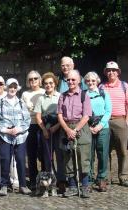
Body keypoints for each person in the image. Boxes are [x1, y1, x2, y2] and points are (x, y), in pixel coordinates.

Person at [0, 78, 31, 196]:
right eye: (10, 87)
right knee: (5, 160)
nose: (12, 89)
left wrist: (18, 129)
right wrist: (7, 130)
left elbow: (27, 120)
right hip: (5, 136)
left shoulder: (21, 103)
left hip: (20, 137)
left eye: (14, 87)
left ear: (17, 88)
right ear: (6, 88)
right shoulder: (0, 103)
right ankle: (4, 185)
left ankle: (23, 185)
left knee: (20, 159)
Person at [57, 70, 92, 198]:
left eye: (73, 80)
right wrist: (67, 130)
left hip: (81, 128)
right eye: (68, 80)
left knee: (83, 156)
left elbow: (87, 115)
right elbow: (60, 115)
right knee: (68, 157)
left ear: (78, 81)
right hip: (66, 127)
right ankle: (71, 186)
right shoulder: (62, 96)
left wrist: (75, 130)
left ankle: (85, 186)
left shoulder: (84, 95)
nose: (70, 82)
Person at [100, 61, 128, 187]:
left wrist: (126, 122)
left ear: (118, 72)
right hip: (105, 121)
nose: (111, 72)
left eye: (114, 70)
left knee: (122, 151)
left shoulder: (124, 86)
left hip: (120, 120)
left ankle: (123, 176)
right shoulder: (101, 87)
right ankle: (105, 177)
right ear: (105, 72)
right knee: (105, 150)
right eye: (108, 70)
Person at [34, 72, 66, 194]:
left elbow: (64, 114)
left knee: (60, 157)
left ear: (55, 84)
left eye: (51, 83)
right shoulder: (41, 98)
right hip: (46, 129)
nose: (48, 85)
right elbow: (38, 117)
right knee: (47, 158)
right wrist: (44, 130)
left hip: (59, 129)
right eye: (46, 83)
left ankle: (61, 182)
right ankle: (48, 184)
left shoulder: (60, 97)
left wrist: (57, 126)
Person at [84, 72, 112, 192]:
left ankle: (101, 179)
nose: (90, 83)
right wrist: (88, 127)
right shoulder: (83, 95)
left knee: (102, 154)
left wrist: (100, 126)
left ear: (97, 81)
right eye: (88, 81)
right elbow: (82, 112)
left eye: (93, 81)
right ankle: (89, 179)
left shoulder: (104, 93)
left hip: (103, 127)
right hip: (88, 128)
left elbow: (108, 111)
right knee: (89, 155)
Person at [21, 70, 45, 190]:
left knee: (44, 154)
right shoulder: (25, 94)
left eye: (35, 78)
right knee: (31, 155)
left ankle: (46, 179)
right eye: (30, 79)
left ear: (39, 80)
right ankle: (33, 180)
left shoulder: (44, 91)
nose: (33, 81)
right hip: (30, 125)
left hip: (42, 125)